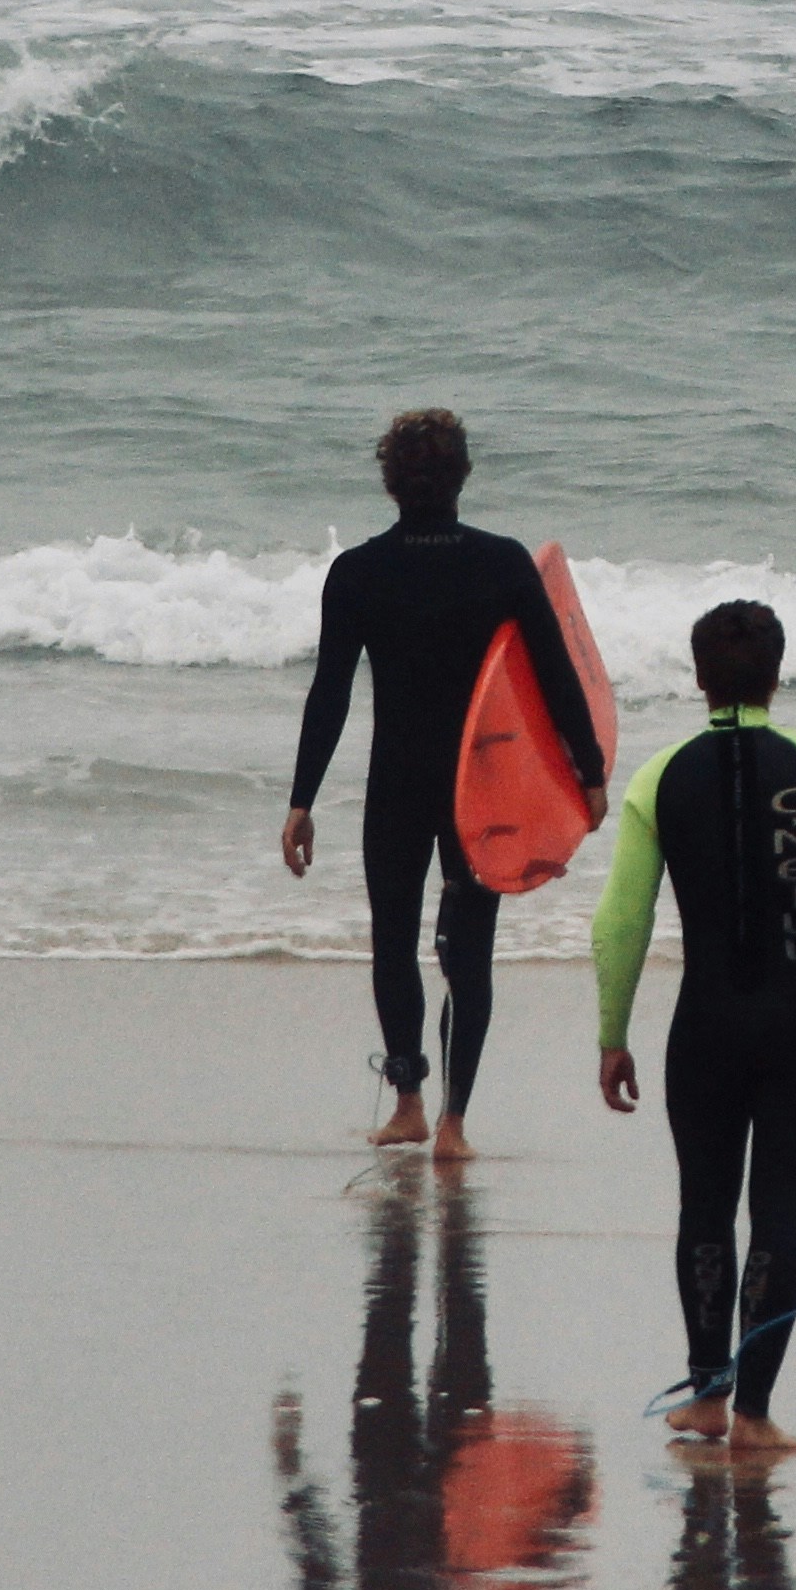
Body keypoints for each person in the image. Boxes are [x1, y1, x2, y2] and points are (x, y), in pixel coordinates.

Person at [591, 597, 796, 1459]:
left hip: (702, 1030)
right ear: (778, 673)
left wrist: (612, 1033)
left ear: (698, 678)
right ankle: (757, 1414)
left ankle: (706, 1395)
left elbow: (618, 921)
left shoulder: (659, 778)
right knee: (780, 1212)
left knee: (703, 1206)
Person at [283, 407, 605, 1164]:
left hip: (397, 784)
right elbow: (558, 679)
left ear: (390, 482)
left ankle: (408, 1103)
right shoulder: (501, 564)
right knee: (470, 954)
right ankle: (456, 1124)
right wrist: (586, 772)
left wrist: (302, 798)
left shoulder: (357, 572)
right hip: (481, 791)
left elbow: (328, 694)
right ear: (463, 476)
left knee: (393, 943)